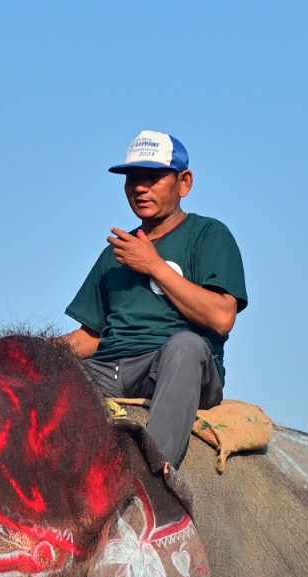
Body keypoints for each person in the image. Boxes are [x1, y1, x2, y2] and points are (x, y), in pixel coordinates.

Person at [62, 130, 248, 472]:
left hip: (177, 367)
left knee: (186, 345)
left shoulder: (209, 235)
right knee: (46, 377)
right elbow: (90, 337)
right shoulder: (114, 254)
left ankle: (153, 475)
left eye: (153, 178)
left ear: (184, 183)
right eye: (133, 179)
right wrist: (30, 352)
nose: (140, 188)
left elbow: (222, 317)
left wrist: (154, 266)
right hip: (113, 369)